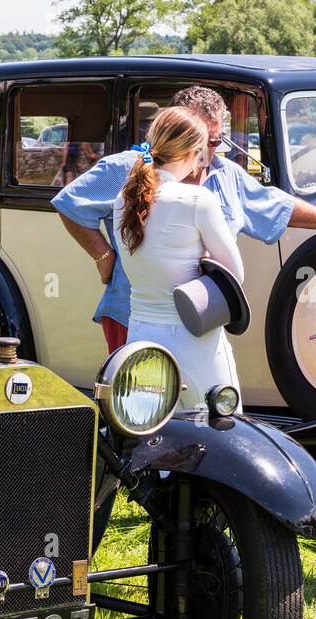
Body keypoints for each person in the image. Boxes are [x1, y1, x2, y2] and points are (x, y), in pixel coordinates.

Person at [53, 86, 316, 353]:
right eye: (203, 139)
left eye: (217, 140)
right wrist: (103, 256)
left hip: (202, 317)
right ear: (175, 128)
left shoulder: (228, 174)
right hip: (135, 317)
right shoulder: (125, 168)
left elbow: (276, 205)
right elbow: (70, 203)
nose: (209, 149)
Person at [114, 107, 244, 408]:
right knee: (221, 430)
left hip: (141, 336)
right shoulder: (197, 199)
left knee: (150, 436)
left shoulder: (123, 198)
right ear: (192, 152)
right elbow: (234, 274)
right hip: (195, 339)